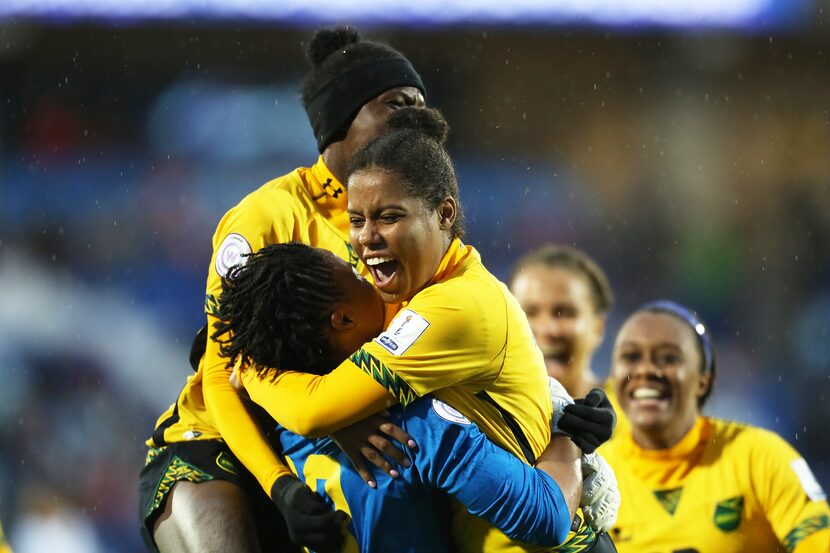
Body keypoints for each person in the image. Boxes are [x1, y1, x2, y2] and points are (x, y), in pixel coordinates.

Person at [236, 107, 618, 552]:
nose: (363, 242)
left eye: (388, 217)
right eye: (356, 220)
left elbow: (312, 410)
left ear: (443, 214)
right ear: (339, 321)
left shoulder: (451, 308)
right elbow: (316, 410)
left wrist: (246, 371)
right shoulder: (403, 431)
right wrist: (568, 444)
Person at [138, 25, 427, 553]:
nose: (415, 117)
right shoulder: (266, 218)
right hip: (224, 448)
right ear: (343, 120)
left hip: (341, 440)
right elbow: (224, 379)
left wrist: (556, 414)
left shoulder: (416, 226)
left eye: (420, 103)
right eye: (395, 103)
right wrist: (280, 485)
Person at [213, 241, 609, 551]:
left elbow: (240, 378)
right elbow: (548, 518)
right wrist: (566, 435)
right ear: (343, 320)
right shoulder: (418, 429)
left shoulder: (281, 424)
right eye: (355, 273)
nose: (369, 274)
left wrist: (250, 369)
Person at [602, 300, 830, 552]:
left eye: (668, 358)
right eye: (631, 356)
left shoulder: (758, 456)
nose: (645, 369)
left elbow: (819, 542)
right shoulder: (594, 474)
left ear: (703, 380)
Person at [509, 245, 628, 439]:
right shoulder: (482, 421)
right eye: (528, 312)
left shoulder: (638, 420)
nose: (547, 330)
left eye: (564, 312)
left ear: (598, 328)